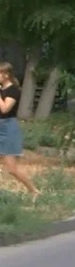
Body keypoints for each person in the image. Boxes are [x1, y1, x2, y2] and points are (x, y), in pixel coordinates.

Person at [0, 62, 40, 197]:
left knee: (12, 169)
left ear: (6, 75)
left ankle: (34, 191)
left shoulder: (13, 90)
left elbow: (5, 109)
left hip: (8, 128)